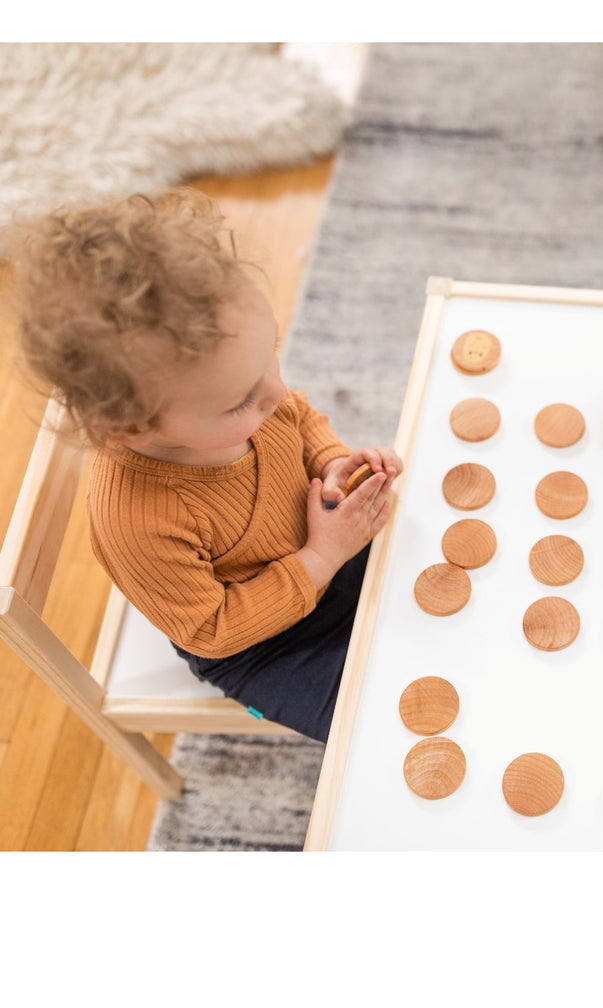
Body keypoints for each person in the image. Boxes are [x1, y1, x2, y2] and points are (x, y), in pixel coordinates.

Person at [3, 188, 402, 742]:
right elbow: (213, 630)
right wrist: (322, 555)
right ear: (127, 427)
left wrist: (331, 462)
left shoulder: (236, 392)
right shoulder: (138, 522)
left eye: (272, 356)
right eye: (240, 400)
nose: (276, 391)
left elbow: (297, 416)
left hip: (321, 547)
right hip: (266, 643)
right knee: (386, 724)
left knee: (447, 577)